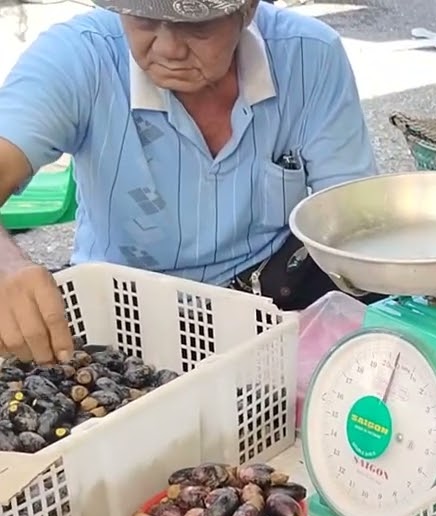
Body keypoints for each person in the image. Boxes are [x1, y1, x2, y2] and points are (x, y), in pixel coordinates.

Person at [0, 0, 378, 365]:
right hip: (124, 310)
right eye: (142, 17)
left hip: (271, 294)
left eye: (196, 23)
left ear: (247, 9)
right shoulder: (79, 56)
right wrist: (7, 266)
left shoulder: (311, 55)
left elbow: (353, 218)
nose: (168, 48)